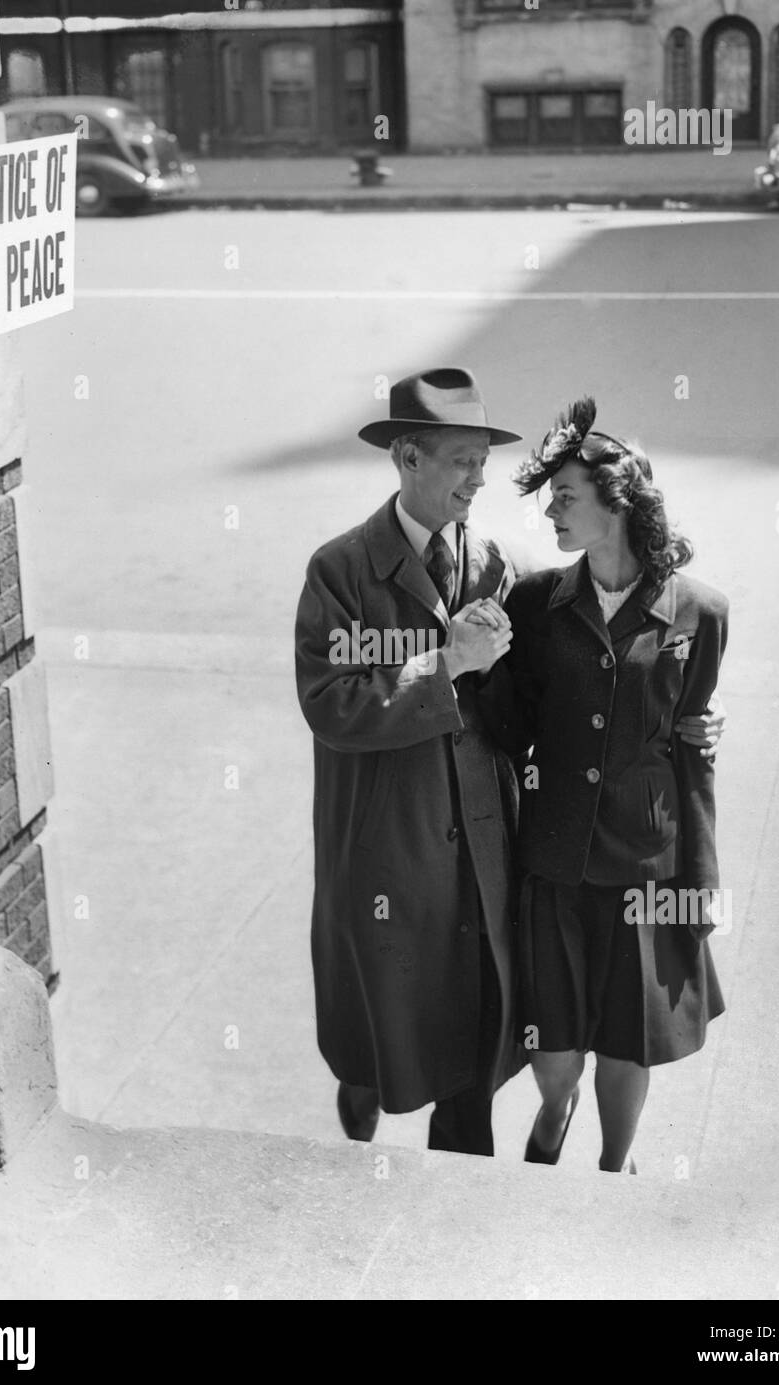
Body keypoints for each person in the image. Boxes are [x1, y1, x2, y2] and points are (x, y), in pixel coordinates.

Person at [294, 370, 723, 1158]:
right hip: (388, 854)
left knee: (472, 1055)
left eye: (482, 462)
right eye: (462, 461)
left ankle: (465, 1206)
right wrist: (444, 666)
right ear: (409, 459)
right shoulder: (342, 570)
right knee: (370, 1052)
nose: (479, 479)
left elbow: (561, 700)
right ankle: (350, 1160)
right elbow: (329, 704)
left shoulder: (501, 568)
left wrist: (682, 729)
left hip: (487, 861)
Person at [476, 398, 728, 1174]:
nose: (550, 511)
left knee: (628, 1043)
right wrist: (475, 669)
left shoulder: (699, 611)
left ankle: (616, 1170)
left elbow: (694, 749)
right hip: (553, 861)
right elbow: (506, 727)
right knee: (554, 1057)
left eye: (565, 496)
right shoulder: (535, 604)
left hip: (646, 868)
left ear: (615, 501)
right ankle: (557, 1111)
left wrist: (702, 882)